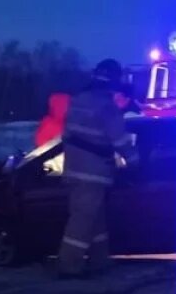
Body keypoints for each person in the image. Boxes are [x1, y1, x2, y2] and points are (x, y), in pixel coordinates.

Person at [58, 59, 138, 278]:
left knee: (95, 219)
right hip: (93, 173)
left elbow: (67, 135)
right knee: (82, 221)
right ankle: (68, 266)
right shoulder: (106, 106)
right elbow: (120, 140)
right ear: (114, 80)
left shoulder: (78, 100)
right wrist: (135, 160)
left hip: (74, 168)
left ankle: (99, 260)